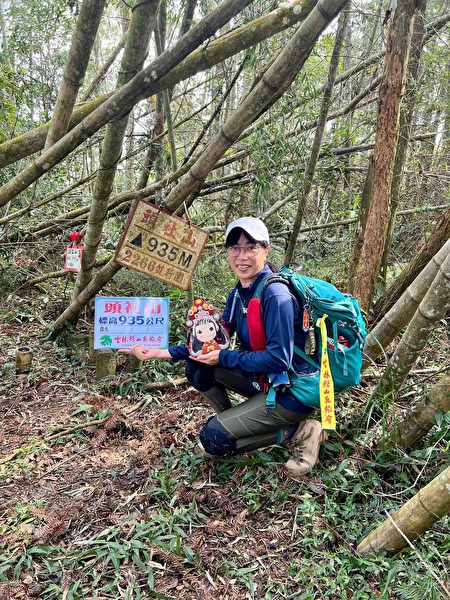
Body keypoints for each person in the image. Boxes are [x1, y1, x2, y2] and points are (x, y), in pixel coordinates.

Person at [120, 217, 326, 477]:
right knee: (197, 368)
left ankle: (301, 431)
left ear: (266, 249)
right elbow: (214, 342)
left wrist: (225, 357)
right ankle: (237, 423)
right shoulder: (239, 292)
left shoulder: (276, 296)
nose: (242, 256)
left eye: (251, 247)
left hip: (291, 392)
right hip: (267, 383)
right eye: (234, 248)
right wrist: (159, 352)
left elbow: (279, 360)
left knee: (212, 441)